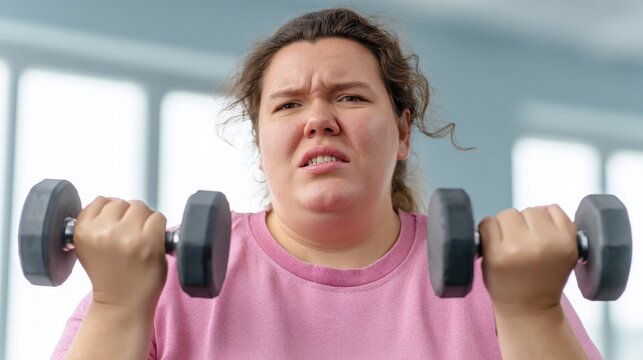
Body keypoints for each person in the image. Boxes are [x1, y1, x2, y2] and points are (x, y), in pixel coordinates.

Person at [53, 8, 601, 359]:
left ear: (403, 130)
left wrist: (534, 313)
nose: (319, 119)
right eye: (289, 104)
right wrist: (117, 309)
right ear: (260, 141)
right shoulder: (152, 280)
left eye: (350, 97)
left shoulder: (508, 284)